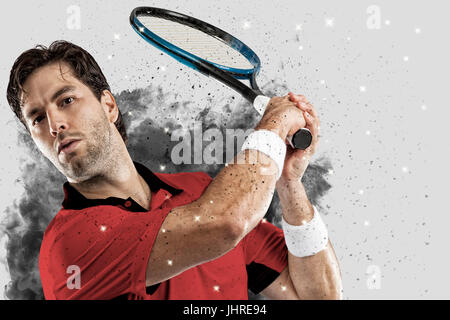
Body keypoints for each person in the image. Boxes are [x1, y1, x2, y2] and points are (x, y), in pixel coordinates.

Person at [6, 40, 343, 300]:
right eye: (37, 118)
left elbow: (319, 293)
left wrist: (289, 184)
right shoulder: (68, 247)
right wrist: (275, 122)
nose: (55, 124)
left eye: (66, 100)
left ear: (108, 106)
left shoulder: (200, 192)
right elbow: (225, 223)